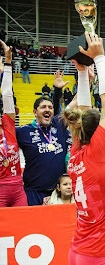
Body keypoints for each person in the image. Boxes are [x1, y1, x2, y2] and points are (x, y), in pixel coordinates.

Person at [63, 32, 105, 265]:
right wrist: (99, 57)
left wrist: (82, 74)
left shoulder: (76, 155)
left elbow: (83, 110)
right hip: (102, 255)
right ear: (99, 131)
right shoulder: (97, 153)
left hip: (81, 251)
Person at [17, 70, 74, 206]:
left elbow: (74, 103)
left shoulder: (58, 126)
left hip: (57, 193)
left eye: (50, 107)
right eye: (43, 107)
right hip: (33, 192)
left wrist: (58, 90)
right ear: (35, 112)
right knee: (35, 227)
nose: (47, 109)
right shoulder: (23, 131)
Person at [0, 40, 27, 208]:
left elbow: (8, 94)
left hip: (18, 188)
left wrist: (8, 63)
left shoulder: (7, 127)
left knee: (23, 226)